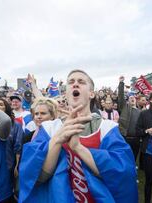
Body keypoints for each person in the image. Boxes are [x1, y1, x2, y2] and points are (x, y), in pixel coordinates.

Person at [19, 69, 138, 203]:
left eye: (81, 82)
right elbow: (36, 177)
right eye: (71, 82)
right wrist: (58, 140)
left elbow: (122, 174)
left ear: (91, 93)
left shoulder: (107, 128)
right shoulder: (49, 128)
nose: (75, 84)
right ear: (66, 93)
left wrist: (77, 147)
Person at [0, 98, 24, 193]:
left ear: (6, 108)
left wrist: (17, 166)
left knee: (6, 191)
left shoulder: (15, 125)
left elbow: (18, 147)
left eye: (1, 104)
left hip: (8, 165)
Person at [117, 76, 141, 161]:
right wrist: (121, 83)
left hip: (136, 139)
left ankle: (133, 169)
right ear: (127, 100)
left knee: (134, 158)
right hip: (125, 137)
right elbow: (120, 97)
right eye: (130, 97)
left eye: (133, 98)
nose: (132, 98)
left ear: (136, 100)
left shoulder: (140, 111)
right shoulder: (124, 108)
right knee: (124, 158)